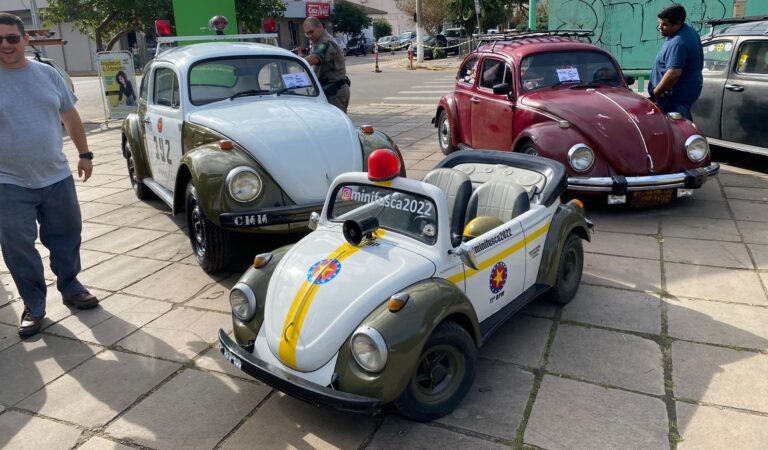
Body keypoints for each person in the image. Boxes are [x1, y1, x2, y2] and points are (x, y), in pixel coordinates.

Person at [0, 13, 99, 338]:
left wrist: (84, 155)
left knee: (67, 236)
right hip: (8, 182)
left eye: (12, 38)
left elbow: (69, 114)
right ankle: (34, 305)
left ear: (25, 40)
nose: (5, 45)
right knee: (17, 247)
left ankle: (71, 287)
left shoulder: (47, 73)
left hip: (56, 176)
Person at [648, 4, 703, 120]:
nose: (660, 27)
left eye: (665, 25)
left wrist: (656, 92)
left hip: (673, 99)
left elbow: (673, 74)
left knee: (674, 132)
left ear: (678, 23)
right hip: (680, 97)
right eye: (659, 23)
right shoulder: (688, 32)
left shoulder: (678, 42)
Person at [302, 17, 350, 112]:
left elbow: (315, 58)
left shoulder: (326, 41)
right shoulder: (317, 42)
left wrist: (295, 61)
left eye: (311, 31)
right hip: (326, 90)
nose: (309, 36)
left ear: (320, 27)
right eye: (307, 33)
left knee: (336, 123)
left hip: (335, 92)